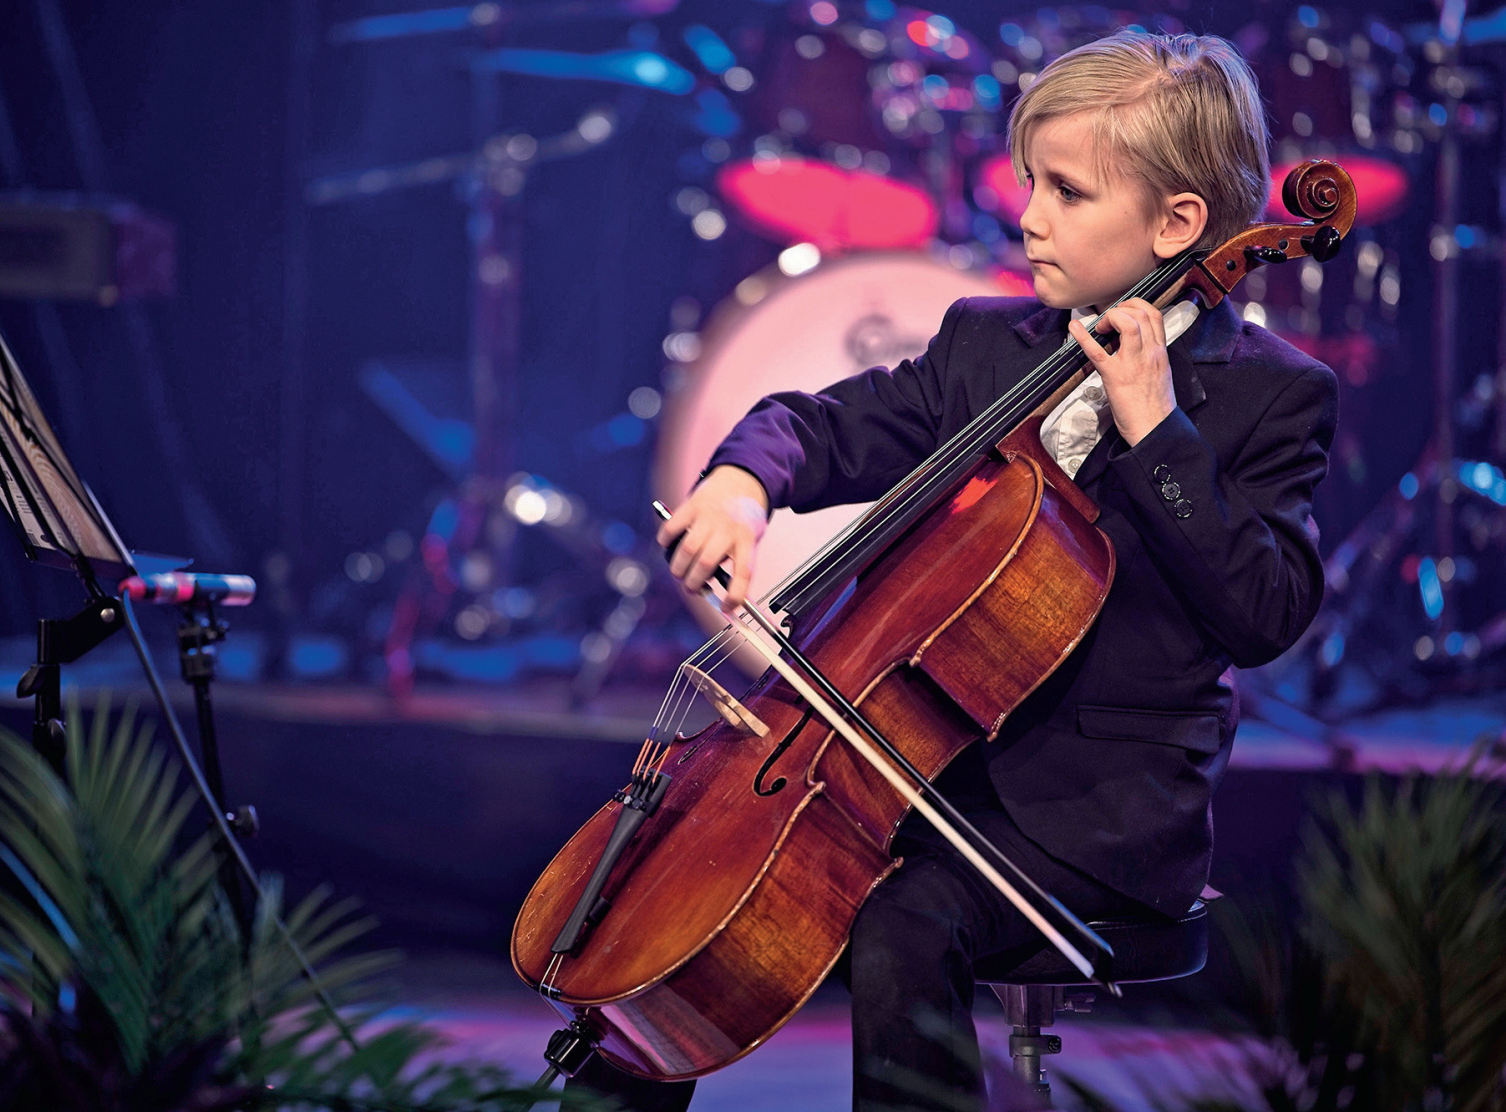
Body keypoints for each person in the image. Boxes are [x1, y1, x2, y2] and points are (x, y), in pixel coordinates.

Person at [569, 28, 1337, 1112]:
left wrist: (1158, 434)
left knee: (903, 920)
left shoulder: (1272, 395)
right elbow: (824, 426)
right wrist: (742, 481)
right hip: (906, 766)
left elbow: (1261, 610)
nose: (1027, 215)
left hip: (1091, 812)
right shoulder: (988, 343)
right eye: (1030, 181)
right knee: (664, 899)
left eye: (1066, 192)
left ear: (1178, 224)